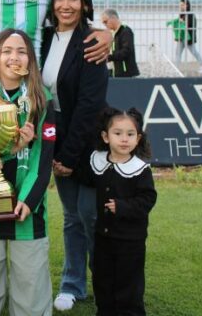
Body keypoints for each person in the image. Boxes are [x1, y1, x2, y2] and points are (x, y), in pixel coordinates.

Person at [0, 29, 56, 316]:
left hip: (27, 212)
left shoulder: (41, 101)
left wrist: (28, 201)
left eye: (21, 51)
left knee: (30, 293)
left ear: (30, 59)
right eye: (6, 50)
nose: (13, 57)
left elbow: (44, 160)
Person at [41, 0, 109, 312]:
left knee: (90, 214)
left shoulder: (93, 42)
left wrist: (68, 154)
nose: (65, 5)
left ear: (84, 3)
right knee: (71, 216)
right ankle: (72, 284)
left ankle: (106, 282)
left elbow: (90, 105)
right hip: (56, 135)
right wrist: (55, 148)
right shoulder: (44, 38)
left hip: (88, 140)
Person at [81, 107, 157, 316]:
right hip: (103, 237)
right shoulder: (98, 160)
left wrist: (122, 207)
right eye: (118, 133)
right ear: (106, 137)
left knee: (128, 286)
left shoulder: (139, 168)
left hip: (130, 241)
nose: (124, 139)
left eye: (130, 134)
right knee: (103, 281)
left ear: (138, 138)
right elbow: (87, 178)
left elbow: (148, 199)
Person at [167, 0, 202, 74]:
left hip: (189, 38)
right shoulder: (181, 13)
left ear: (186, 5)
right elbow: (180, 24)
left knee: (194, 52)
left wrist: (183, 22)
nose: (181, 6)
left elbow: (191, 26)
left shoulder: (191, 14)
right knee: (178, 53)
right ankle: (176, 69)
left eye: (182, 5)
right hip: (181, 37)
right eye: (180, 5)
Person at [101, 8, 140, 78]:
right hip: (116, 73)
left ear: (113, 18)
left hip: (127, 74)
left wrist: (109, 57)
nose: (104, 25)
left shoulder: (125, 31)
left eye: (105, 22)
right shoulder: (114, 34)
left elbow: (126, 51)